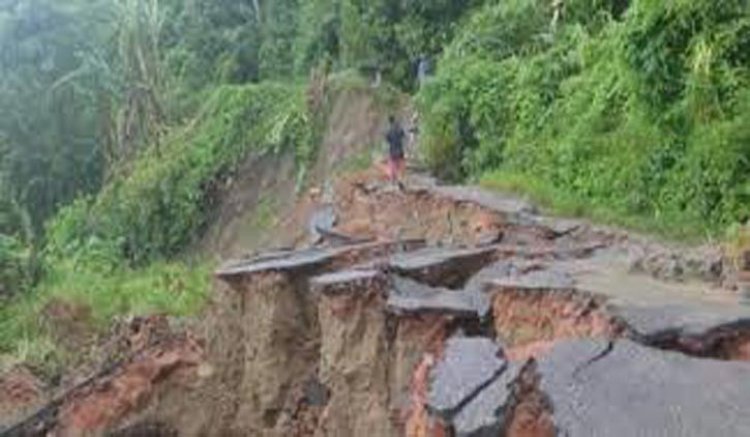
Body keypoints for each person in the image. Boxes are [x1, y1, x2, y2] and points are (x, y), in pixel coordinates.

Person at [385, 115, 406, 184]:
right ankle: (400, 179)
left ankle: (393, 179)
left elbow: (387, 139)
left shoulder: (389, 130)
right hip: (400, 149)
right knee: (401, 165)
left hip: (392, 150)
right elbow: (403, 135)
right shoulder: (399, 128)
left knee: (392, 164)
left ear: (389, 122)